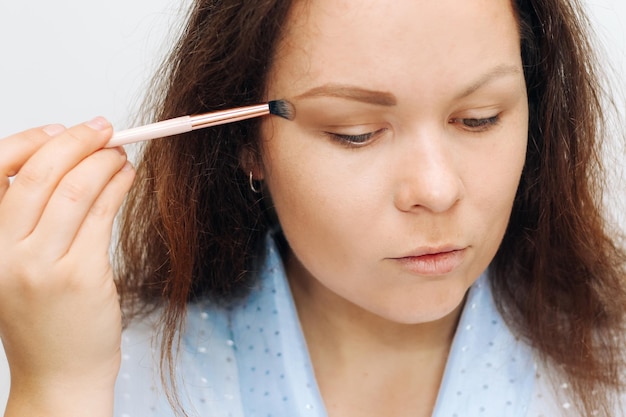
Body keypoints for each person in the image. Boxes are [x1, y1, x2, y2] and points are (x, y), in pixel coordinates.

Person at [1, 0, 625, 416]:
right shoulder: (114, 376)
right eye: (355, 131)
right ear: (247, 139)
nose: (437, 190)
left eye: (479, 119)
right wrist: (56, 387)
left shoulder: (612, 361)